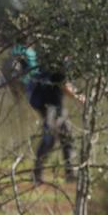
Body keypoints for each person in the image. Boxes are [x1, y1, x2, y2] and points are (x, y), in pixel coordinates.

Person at [29, 57, 85, 185]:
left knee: (67, 137)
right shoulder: (56, 62)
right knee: (50, 139)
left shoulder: (54, 61)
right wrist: (80, 97)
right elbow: (64, 85)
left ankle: (70, 173)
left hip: (55, 107)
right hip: (50, 108)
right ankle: (36, 173)